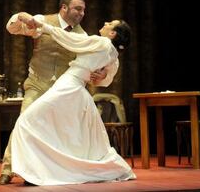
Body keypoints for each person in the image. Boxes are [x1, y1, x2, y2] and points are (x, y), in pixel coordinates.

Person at [10, 14, 136, 185]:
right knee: (68, 134)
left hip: (69, 86)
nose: (105, 23)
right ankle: (43, 167)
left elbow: (70, 40)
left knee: (27, 120)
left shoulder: (103, 42)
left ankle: (40, 169)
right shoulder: (113, 54)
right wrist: (103, 74)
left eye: (110, 24)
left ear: (113, 34)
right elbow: (108, 77)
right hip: (77, 89)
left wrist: (44, 26)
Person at [0, 0, 109, 185]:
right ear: (64, 8)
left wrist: (102, 74)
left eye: (83, 10)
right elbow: (13, 28)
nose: (82, 13)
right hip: (38, 84)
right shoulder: (43, 22)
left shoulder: (81, 35)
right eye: (78, 9)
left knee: (52, 132)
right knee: (24, 121)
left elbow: (92, 62)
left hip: (60, 92)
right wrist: (20, 16)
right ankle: (8, 168)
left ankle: (39, 172)